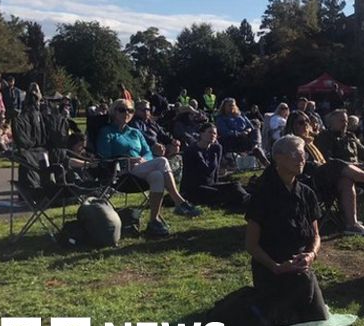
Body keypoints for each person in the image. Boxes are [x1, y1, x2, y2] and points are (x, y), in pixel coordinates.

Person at [244, 135, 328, 326]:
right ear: (279, 158)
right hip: (271, 268)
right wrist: (276, 266)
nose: (302, 159)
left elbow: (315, 235)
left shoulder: (307, 193)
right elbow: (251, 244)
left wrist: (311, 255)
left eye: (303, 154)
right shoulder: (263, 195)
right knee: (283, 317)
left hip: (300, 265)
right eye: (296, 154)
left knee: (318, 316)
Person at [97, 99, 200, 236]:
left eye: (130, 110)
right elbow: (104, 156)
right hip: (122, 171)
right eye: (122, 110)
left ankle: (153, 221)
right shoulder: (107, 132)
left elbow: (148, 152)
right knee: (162, 161)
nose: (126, 113)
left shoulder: (134, 132)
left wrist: (143, 160)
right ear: (113, 112)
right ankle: (179, 201)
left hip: (140, 168)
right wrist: (127, 159)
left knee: (157, 175)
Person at [292, 110, 364, 234]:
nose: (305, 124)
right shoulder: (297, 142)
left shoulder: (315, 140)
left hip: (344, 173)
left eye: (307, 121)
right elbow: (314, 163)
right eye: (300, 122)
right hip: (316, 179)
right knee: (340, 168)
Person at [181, 123, 251, 210]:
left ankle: (249, 201)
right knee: (219, 193)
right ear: (201, 134)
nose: (212, 135)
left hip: (210, 184)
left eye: (214, 133)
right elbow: (193, 174)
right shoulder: (191, 150)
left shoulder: (217, 148)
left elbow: (215, 172)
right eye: (210, 132)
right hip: (195, 187)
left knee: (234, 185)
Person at [215, 98, 270, 167]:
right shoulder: (221, 118)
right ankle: (257, 150)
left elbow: (251, 126)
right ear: (224, 107)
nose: (231, 107)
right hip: (232, 140)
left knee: (256, 130)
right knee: (249, 135)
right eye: (229, 105)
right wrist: (239, 133)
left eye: (233, 105)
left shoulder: (241, 115)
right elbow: (224, 132)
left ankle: (256, 147)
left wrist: (247, 131)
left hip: (247, 137)